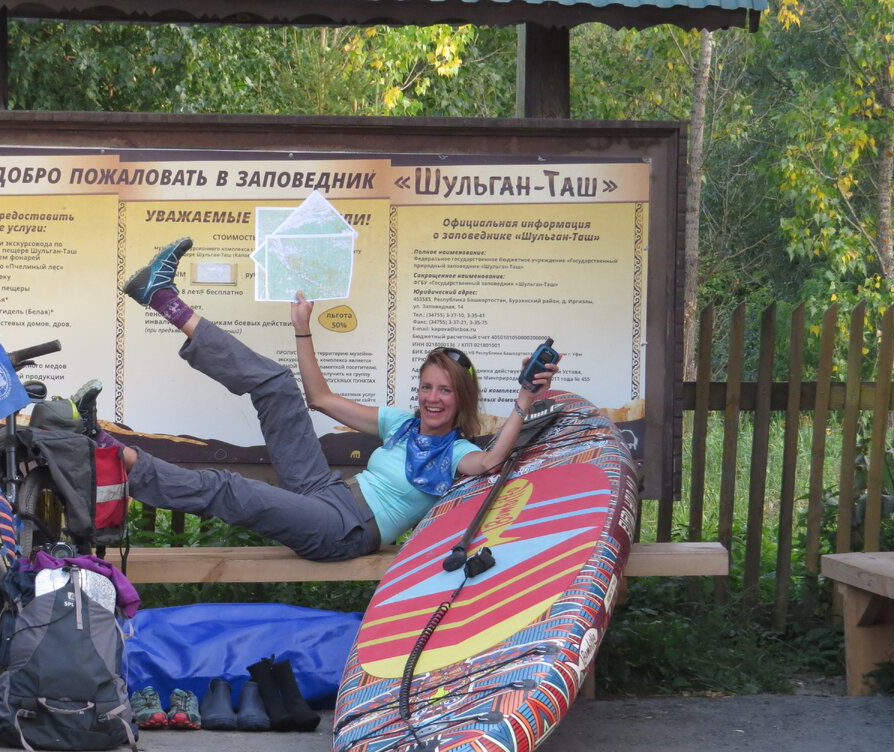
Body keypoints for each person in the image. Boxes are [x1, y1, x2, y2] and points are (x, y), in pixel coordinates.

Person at [107, 237, 557, 562]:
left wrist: (525, 396)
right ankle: (164, 298)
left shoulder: (457, 451)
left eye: (445, 391)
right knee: (278, 386)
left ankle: (114, 456)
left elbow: (491, 462)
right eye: (427, 387)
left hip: (344, 531)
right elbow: (318, 398)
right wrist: (302, 326)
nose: (433, 399)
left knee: (230, 488)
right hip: (324, 492)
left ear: (461, 400)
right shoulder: (400, 423)